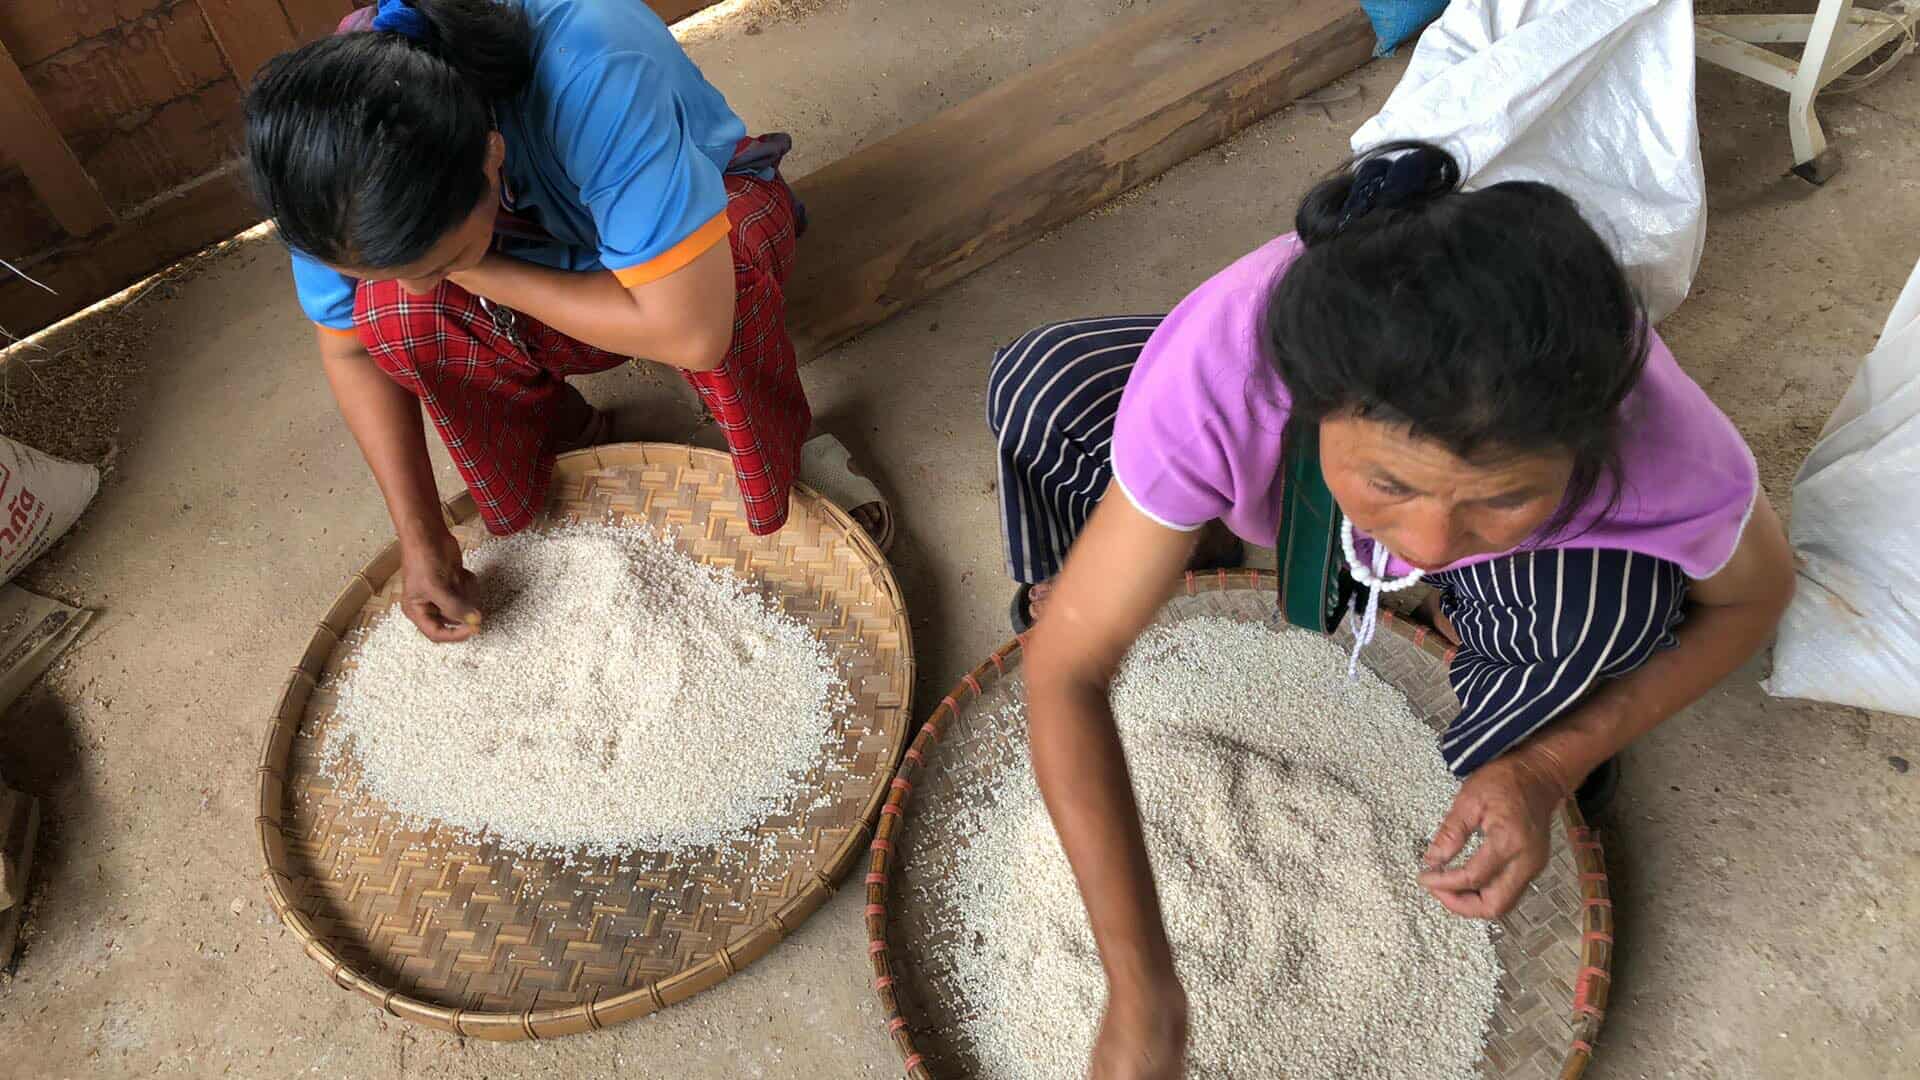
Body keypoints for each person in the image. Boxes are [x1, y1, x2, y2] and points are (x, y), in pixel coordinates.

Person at [987, 143, 1794, 1077]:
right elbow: (1068, 666)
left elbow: (1755, 598)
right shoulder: (1229, 368)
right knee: (1042, 386)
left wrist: (1546, 766)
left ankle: (1489, 660)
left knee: (1601, 620)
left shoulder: (1655, 438)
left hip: (1527, 564)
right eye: (1390, 484)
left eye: (1500, 495)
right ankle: (1187, 535)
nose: (1430, 542)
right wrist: (1143, 991)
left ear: (1589, 446)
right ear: (1309, 403)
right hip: (1270, 456)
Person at [245, 0, 890, 643]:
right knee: (394, 318)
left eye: (435, 259)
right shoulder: (329, 154)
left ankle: (791, 455)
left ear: (491, 154)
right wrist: (420, 534)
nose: (420, 285)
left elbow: (692, 332)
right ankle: (573, 433)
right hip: (536, 257)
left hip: (711, 224)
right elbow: (350, 349)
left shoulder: (590, 63)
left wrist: (472, 271)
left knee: (727, 286)